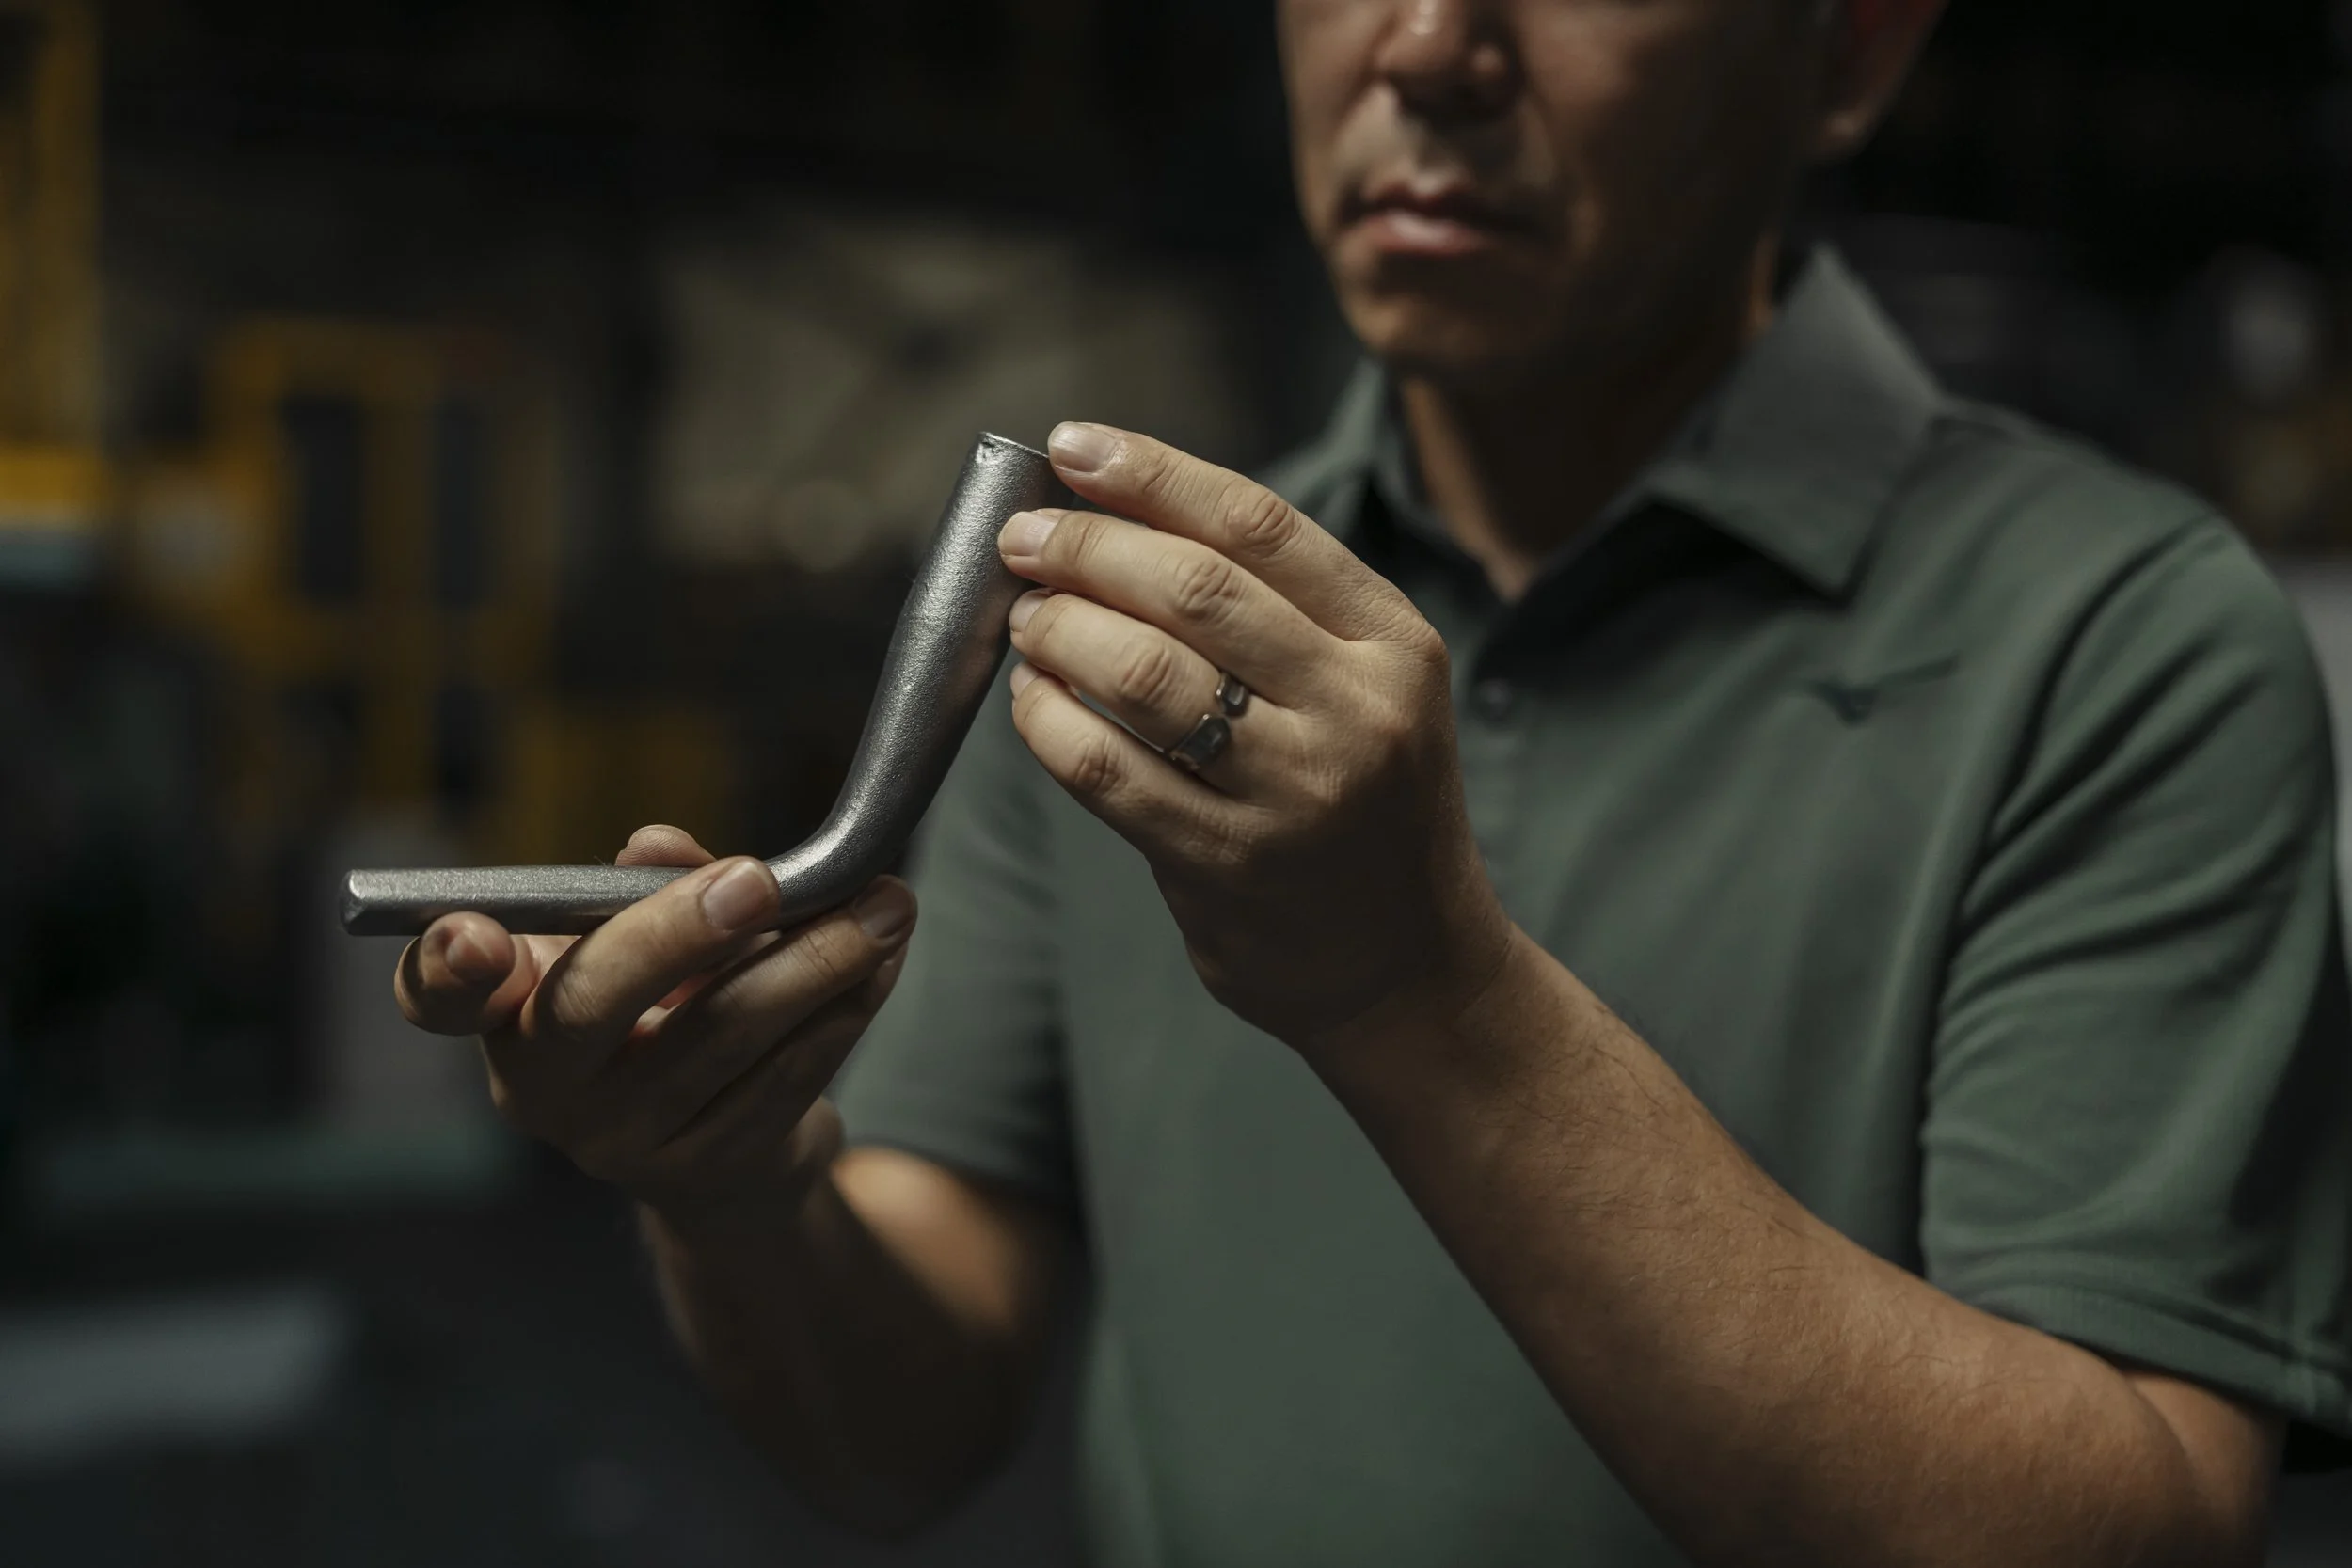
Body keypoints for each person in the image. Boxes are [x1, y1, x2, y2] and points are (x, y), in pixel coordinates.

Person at [396, 1, 2352, 1562]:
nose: (1420, 45)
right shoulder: (1119, 633)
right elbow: (908, 1418)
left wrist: (1417, 991)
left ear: (1847, 47)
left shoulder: (2115, 641)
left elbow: (2134, 1521)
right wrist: (730, 1188)